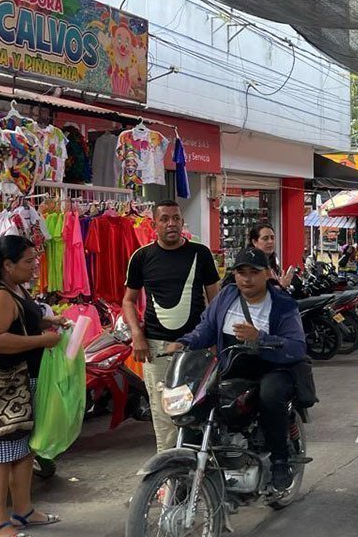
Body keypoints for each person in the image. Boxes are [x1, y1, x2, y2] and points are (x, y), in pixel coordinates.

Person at [173, 246, 307, 491]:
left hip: (273, 369)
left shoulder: (282, 304)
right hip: (232, 366)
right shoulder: (226, 296)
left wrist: (260, 338)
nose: (247, 278)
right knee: (199, 400)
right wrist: (185, 343)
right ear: (234, 275)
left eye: (254, 272)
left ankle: (279, 460)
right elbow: (206, 328)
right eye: (241, 272)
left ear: (267, 273)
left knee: (270, 395)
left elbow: (297, 347)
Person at [0, 236, 66, 537]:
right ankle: (0, 526)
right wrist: (42, 341)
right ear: (7, 265)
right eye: (28, 261)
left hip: (20, 382)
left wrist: (49, 322)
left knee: (24, 451)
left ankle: (24, 510)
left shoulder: (16, 288)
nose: (35, 265)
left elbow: (22, 322)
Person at [123, 200, 220, 453]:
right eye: (164, 219)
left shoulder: (200, 253)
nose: (171, 224)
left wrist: (213, 340)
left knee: (197, 411)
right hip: (157, 349)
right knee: (164, 417)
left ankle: (200, 473)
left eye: (176, 218)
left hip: (196, 348)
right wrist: (137, 335)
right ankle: (169, 480)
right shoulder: (142, 257)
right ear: (154, 224)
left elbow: (215, 301)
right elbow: (128, 301)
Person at [249, 222, 296, 288]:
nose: (270, 241)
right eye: (265, 239)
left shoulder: (273, 262)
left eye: (272, 238)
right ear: (254, 242)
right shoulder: (250, 265)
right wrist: (281, 287)